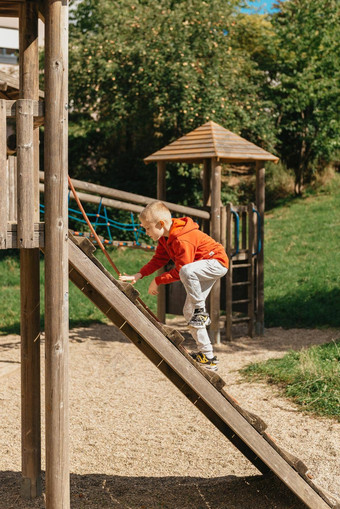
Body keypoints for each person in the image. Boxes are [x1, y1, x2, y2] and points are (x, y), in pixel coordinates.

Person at [119, 201, 228, 371]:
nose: (146, 232)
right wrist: (139, 274)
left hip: (216, 262)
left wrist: (158, 280)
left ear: (161, 224)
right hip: (198, 267)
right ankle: (208, 357)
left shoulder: (183, 238)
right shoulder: (165, 238)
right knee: (188, 312)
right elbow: (158, 260)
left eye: (147, 228)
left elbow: (181, 271)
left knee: (186, 272)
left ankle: (201, 311)